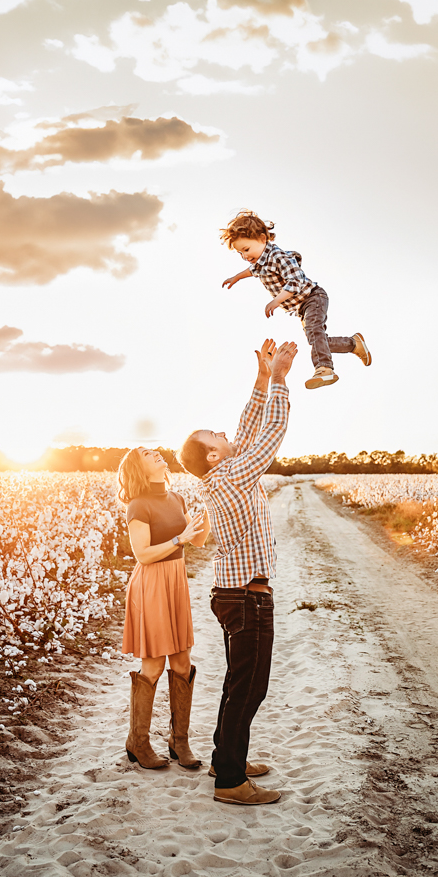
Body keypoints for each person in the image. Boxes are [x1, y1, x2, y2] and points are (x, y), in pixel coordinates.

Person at [177, 338, 297, 806]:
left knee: (237, 684)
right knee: (249, 689)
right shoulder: (230, 475)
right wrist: (282, 381)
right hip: (246, 599)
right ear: (212, 457)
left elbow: (246, 434)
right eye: (216, 437)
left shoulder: (223, 471)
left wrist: (262, 377)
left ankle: (226, 756)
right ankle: (229, 782)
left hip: (234, 595)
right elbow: (267, 437)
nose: (226, 435)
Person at [118, 447, 210, 770]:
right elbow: (142, 554)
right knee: (154, 666)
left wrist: (210, 505)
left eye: (155, 450)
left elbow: (197, 541)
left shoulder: (176, 499)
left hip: (176, 581)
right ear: (139, 469)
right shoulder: (137, 505)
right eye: (147, 454)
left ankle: (179, 741)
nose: (155, 453)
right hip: (153, 585)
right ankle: (138, 742)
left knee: (182, 664)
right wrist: (178, 540)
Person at [220, 209, 372, 390]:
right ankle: (354, 344)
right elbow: (251, 271)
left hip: (313, 297)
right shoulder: (259, 264)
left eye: (246, 249)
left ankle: (324, 369)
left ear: (262, 239)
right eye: (240, 253)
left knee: (315, 334)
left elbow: (296, 281)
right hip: (303, 307)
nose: (244, 256)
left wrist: (276, 300)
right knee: (318, 341)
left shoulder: (277, 256)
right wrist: (236, 277)